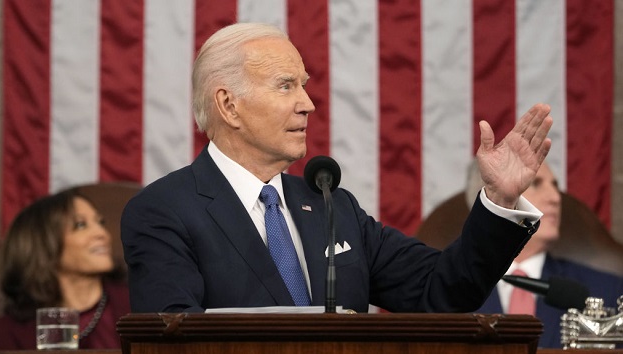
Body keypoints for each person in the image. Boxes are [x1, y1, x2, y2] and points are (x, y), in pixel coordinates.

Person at [121, 22, 553, 314]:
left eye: (304, 86)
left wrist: (498, 200)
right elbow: (173, 342)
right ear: (228, 105)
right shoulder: (164, 213)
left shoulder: (332, 206)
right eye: (286, 86)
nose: (307, 104)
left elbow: (443, 289)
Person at [467, 160, 623, 348]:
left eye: (555, 186)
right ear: (491, 202)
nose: (555, 197)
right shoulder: (445, 291)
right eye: (536, 184)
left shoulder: (608, 292)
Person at [0, 188, 130, 349]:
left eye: (100, 223)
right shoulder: (2, 335)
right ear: (44, 243)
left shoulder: (136, 308)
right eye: (80, 225)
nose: (102, 233)